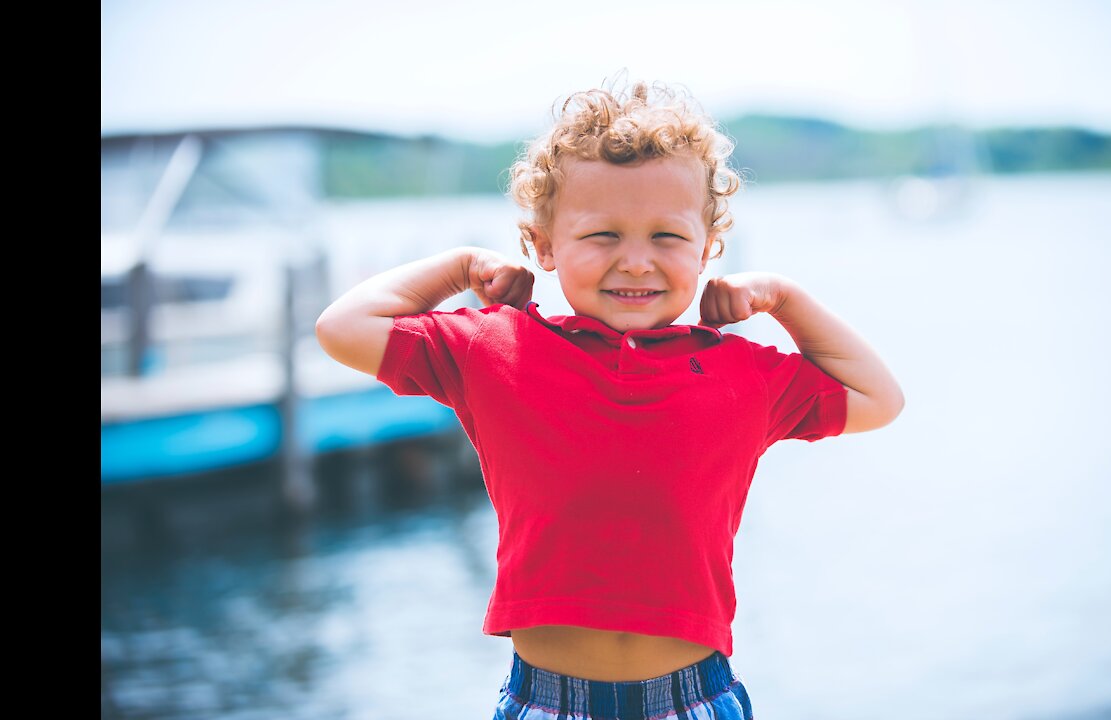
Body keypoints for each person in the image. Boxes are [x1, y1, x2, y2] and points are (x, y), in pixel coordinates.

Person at [315, 79, 904, 720]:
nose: (634, 261)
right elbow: (341, 329)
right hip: (546, 701)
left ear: (708, 247)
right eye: (601, 236)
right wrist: (457, 268)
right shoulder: (494, 349)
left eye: (667, 237)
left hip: (694, 697)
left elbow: (878, 398)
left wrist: (786, 300)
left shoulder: (743, 373)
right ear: (542, 246)